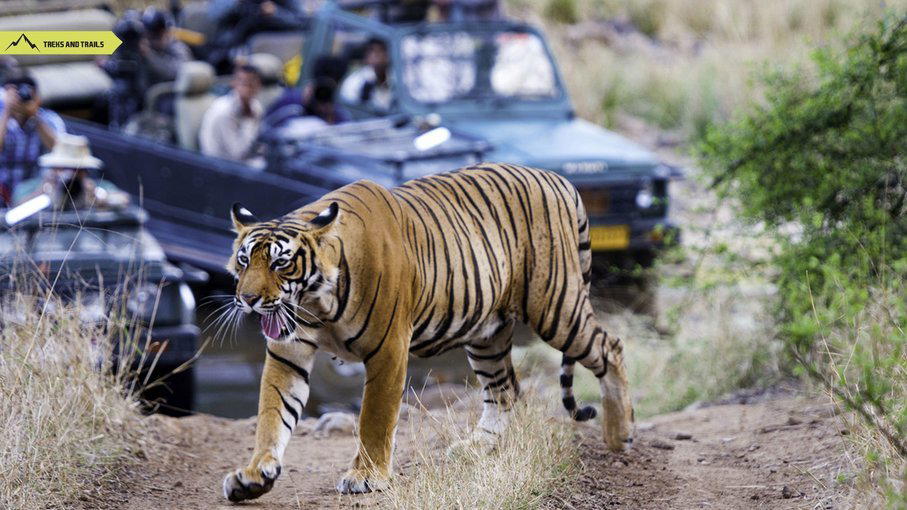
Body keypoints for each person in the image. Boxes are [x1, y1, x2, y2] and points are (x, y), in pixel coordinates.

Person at [13, 133, 128, 210]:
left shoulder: (96, 186)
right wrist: (42, 194)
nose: (71, 174)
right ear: (54, 168)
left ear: (85, 171)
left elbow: (124, 200)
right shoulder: (33, 187)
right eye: (64, 168)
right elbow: (15, 210)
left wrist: (99, 197)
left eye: (76, 169)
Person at [0, 75, 64, 208]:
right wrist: (7, 110)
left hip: (34, 190)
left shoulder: (49, 119)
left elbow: (60, 151)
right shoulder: (2, 118)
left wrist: (35, 116)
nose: (21, 97)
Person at [199, 63, 264, 165]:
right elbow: (236, 154)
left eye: (251, 84)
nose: (247, 89)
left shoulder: (256, 106)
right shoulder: (223, 111)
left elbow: (256, 141)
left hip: (240, 159)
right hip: (217, 165)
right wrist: (249, 121)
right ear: (233, 83)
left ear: (258, 86)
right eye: (243, 84)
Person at [140, 7, 192, 86]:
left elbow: (179, 71)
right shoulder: (140, 44)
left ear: (166, 32)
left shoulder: (176, 46)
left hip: (168, 94)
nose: (153, 40)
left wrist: (149, 55)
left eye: (157, 35)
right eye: (149, 35)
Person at [339, 38, 392, 114]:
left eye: (382, 51)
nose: (378, 55)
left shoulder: (395, 78)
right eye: (373, 51)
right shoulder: (355, 82)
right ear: (366, 57)